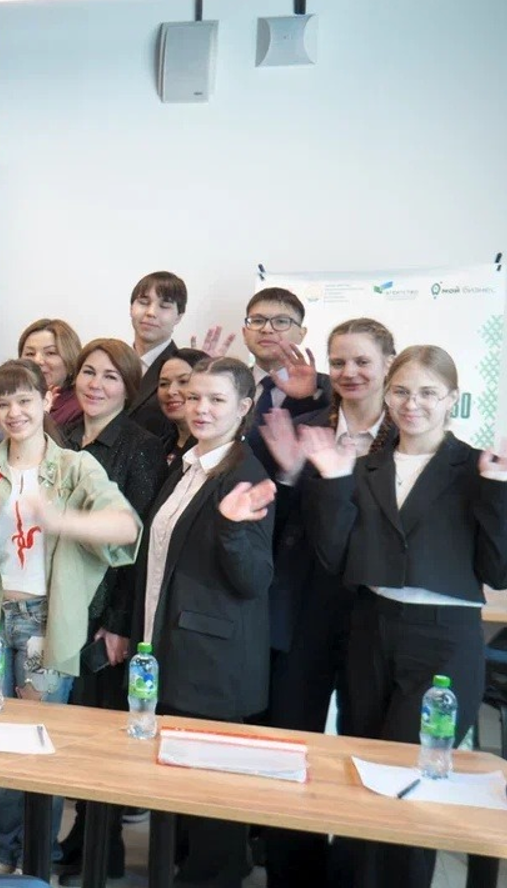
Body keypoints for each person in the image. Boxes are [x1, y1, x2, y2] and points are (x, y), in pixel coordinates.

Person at [298, 344, 505, 888]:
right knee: (362, 769)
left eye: (428, 393)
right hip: (371, 625)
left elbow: (499, 570)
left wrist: (500, 490)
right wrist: (333, 481)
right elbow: (337, 559)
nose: (413, 404)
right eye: (402, 392)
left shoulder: (479, 467)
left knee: (413, 781)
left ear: (453, 399)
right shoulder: (366, 464)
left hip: (444, 640)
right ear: (387, 397)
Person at [0, 359, 140, 875]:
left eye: (25, 400)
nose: (14, 412)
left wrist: (60, 519)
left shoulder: (76, 467)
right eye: (3, 403)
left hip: (45, 624)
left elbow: (125, 529)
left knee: (36, 746)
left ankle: (35, 862)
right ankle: (6, 855)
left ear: (48, 399)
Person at [255, 318, 396, 887]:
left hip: (371, 612)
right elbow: (271, 517)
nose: (349, 372)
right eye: (339, 362)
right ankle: (292, 874)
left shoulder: (408, 434)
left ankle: (353, 872)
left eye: (362, 361)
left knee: (367, 748)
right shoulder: (307, 424)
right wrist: (290, 474)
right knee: (291, 746)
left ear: (388, 363)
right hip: (302, 609)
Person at [134, 356, 276, 888]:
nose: (201, 408)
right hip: (169, 647)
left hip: (213, 663)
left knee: (213, 803)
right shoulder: (187, 463)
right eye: (194, 397)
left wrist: (232, 529)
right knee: (179, 794)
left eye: (217, 399)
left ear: (243, 407)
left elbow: (254, 579)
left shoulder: (245, 473)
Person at [52, 339, 165, 881]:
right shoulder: (62, 434)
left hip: (102, 610)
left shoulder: (141, 446)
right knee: (64, 728)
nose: (95, 384)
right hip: (57, 599)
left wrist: (118, 624)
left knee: (97, 734)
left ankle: (101, 848)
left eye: (110, 377)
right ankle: (73, 838)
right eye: (89, 373)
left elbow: (135, 547)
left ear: (129, 387)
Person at [241, 287, 329, 422]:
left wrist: (308, 397)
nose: (266, 329)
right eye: (258, 321)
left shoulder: (329, 388)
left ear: (301, 334)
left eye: (281, 321)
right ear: (244, 333)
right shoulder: (231, 384)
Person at [125, 271, 187, 438]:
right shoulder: (115, 361)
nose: (151, 312)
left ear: (179, 317)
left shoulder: (186, 370)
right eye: (143, 302)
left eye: (164, 306)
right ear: (131, 308)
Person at [18, 318, 84, 431]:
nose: (37, 360)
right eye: (30, 353)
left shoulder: (80, 409)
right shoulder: (14, 399)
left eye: (50, 353)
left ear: (70, 359)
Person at [155, 347, 210, 465]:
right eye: (164, 384)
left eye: (184, 381)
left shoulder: (213, 451)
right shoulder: (160, 445)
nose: (171, 391)